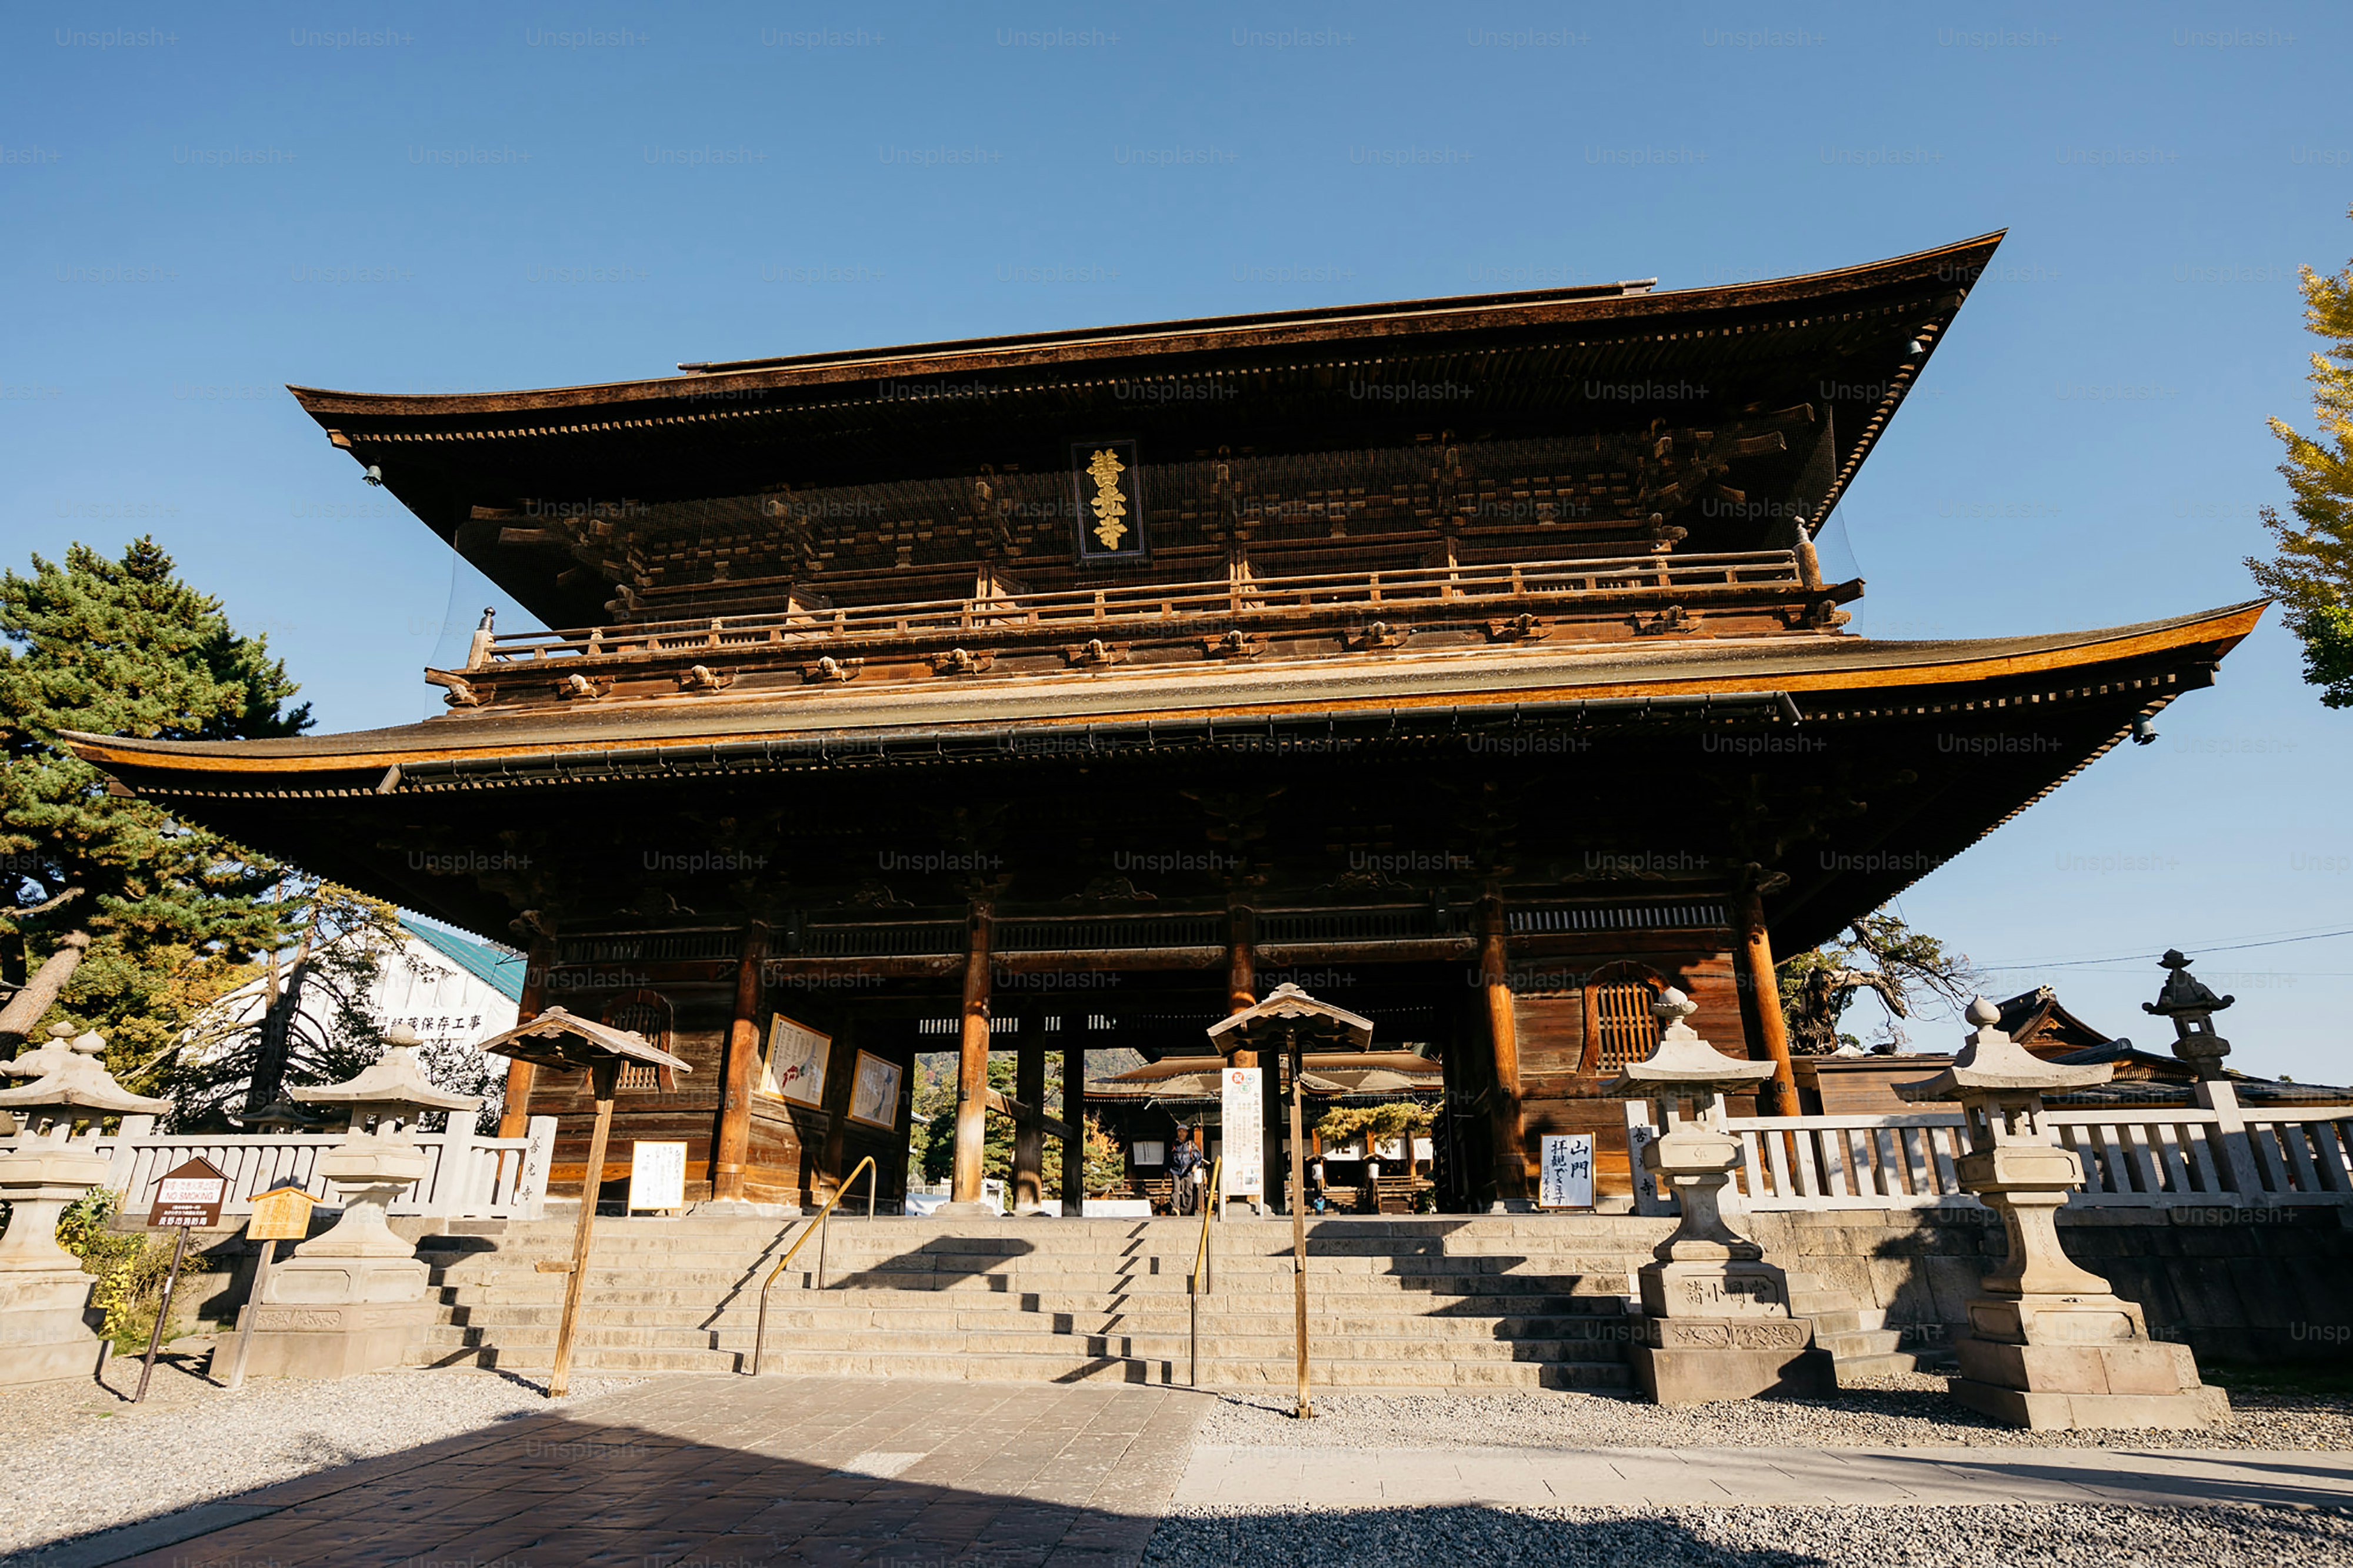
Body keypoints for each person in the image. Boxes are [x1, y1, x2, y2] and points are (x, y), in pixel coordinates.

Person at [1169, 1126, 1205, 1216]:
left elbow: (1199, 1157)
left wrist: (1196, 1165)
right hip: (1176, 1170)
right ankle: (1175, 1208)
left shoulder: (1191, 1144)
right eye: (1179, 1131)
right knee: (1176, 1190)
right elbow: (1168, 1158)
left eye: (1183, 1132)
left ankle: (1185, 1211)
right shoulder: (1174, 1144)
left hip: (1187, 1170)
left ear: (1187, 1133)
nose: (1181, 1134)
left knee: (1188, 1192)